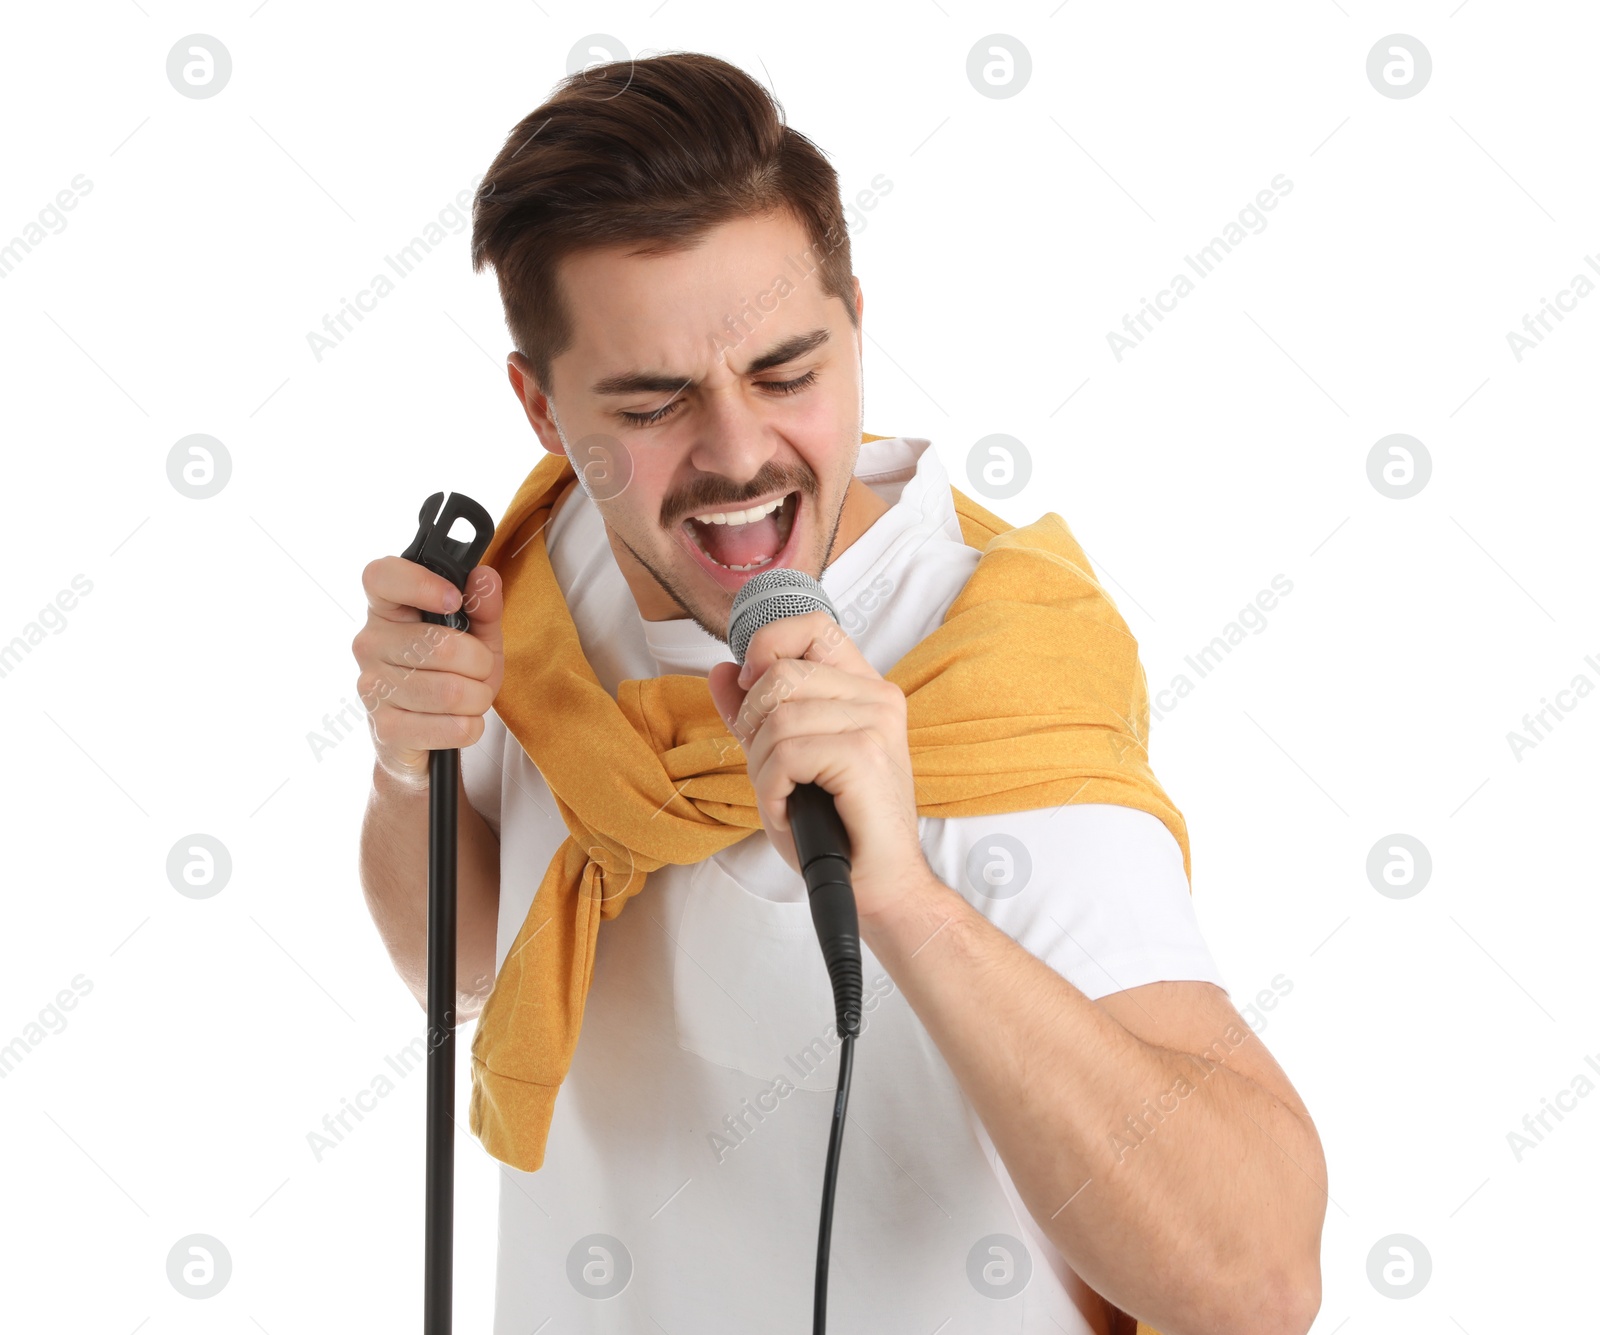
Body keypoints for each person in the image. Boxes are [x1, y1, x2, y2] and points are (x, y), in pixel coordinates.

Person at [353, 50, 1326, 1335]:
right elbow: (471, 960)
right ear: (542, 409)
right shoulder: (532, 580)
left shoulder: (986, 669)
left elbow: (1249, 1283)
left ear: (855, 319)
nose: (740, 451)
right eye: (652, 401)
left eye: (785, 370)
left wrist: (904, 902)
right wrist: (403, 762)